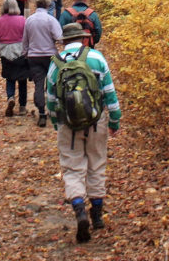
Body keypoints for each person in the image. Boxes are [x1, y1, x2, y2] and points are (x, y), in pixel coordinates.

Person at [46, 22, 121, 243]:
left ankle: (79, 209)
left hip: (68, 124)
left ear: (64, 41)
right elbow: (109, 92)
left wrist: (55, 123)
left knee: (72, 167)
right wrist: (114, 120)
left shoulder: (55, 64)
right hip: (97, 121)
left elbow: (51, 100)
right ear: (83, 38)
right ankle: (97, 215)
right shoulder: (97, 58)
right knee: (96, 163)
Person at [21, 0, 62, 127]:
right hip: (50, 56)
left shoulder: (29, 21)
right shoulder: (51, 20)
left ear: (36, 5)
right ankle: (53, 109)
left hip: (34, 56)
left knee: (39, 84)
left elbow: (25, 40)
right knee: (53, 83)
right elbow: (59, 38)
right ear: (48, 6)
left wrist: (25, 54)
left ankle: (42, 112)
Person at [0, 0, 28, 116]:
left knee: (10, 78)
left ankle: (10, 97)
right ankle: (22, 106)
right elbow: (27, 37)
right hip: (20, 51)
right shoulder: (22, 19)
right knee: (22, 80)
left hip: (6, 52)